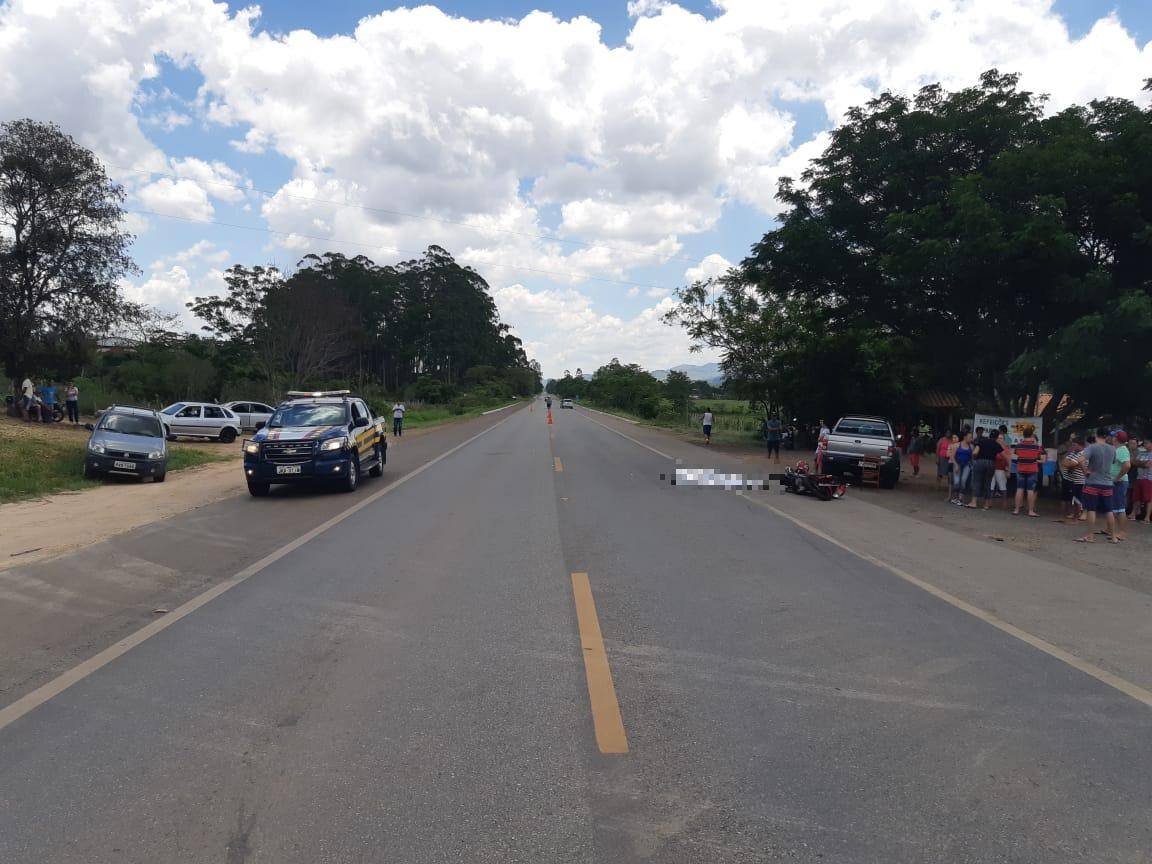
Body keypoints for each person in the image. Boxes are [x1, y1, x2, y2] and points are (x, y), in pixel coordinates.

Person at [1078, 428, 1118, 543]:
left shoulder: (1092, 447)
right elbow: (1113, 462)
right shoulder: (1112, 449)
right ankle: (1113, 536)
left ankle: (1090, 536)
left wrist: (1085, 471)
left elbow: (1080, 459)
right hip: (1107, 483)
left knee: (1091, 509)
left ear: (1096, 435)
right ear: (1106, 437)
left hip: (1093, 482)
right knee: (1109, 510)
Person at [1012, 423, 1044, 517]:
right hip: (1032, 469)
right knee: (1030, 490)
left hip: (1020, 469)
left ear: (1023, 435)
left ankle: (1016, 509)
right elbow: (1040, 457)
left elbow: (1015, 457)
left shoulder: (1018, 446)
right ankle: (1030, 511)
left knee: (1019, 489)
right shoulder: (1037, 447)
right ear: (1032, 435)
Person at [969, 427, 999, 509]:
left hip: (980, 462)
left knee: (977, 481)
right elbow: (1002, 455)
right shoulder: (996, 444)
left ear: (989, 435)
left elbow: (975, 452)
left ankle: (974, 502)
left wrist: (975, 459)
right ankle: (986, 504)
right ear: (997, 437)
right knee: (987, 483)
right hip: (991, 463)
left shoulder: (982, 441)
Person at [1110, 431, 1132, 541]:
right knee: (1114, 507)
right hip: (1115, 482)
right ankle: (1109, 529)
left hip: (1119, 482)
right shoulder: (1117, 449)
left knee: (1120, 508)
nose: (1111, 437)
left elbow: (1127, 465)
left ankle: (1122, 532)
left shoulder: (1122, 450)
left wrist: (1118, 477)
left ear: (1116, 438)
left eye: (1113, 436)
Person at [1058, 435, 1086, 521]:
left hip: (1078, 480)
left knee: (1076, 499)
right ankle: (1064, 515)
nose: (1072, 447)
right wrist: (1072, 464)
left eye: (1074, 445)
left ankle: (1075, 517)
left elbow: (1071, 464)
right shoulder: (1073, 453)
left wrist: (1071, 464)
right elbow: (1064, 462)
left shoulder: (1084, 454)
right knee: (1065, 497)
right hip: (1067, 478)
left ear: (1080, 445)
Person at [1132, 437, 1152, 524]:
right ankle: (1134, 514)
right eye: (1144, 443)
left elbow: (1148, 465)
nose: (1145, 445)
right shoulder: (1141, 453)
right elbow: (1134, 462)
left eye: (1147, 443)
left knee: (1148, 499)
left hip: (1149, 478)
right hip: (1139, 477)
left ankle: (1147, 517)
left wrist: (1140, 463)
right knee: (1136, 497)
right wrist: (1142, 464)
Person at [951, 430, 972, 506]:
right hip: (958, 464)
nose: (971, 439)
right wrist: (956, 465)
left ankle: (960, 498)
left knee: (963, 481)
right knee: (956, 482)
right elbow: (952, 457)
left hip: (966, 465)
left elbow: (972, 457)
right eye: (969, 437)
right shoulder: (956, 445)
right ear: (965, 437)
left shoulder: (971, 446)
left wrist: (971, 464)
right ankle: (955, 497)